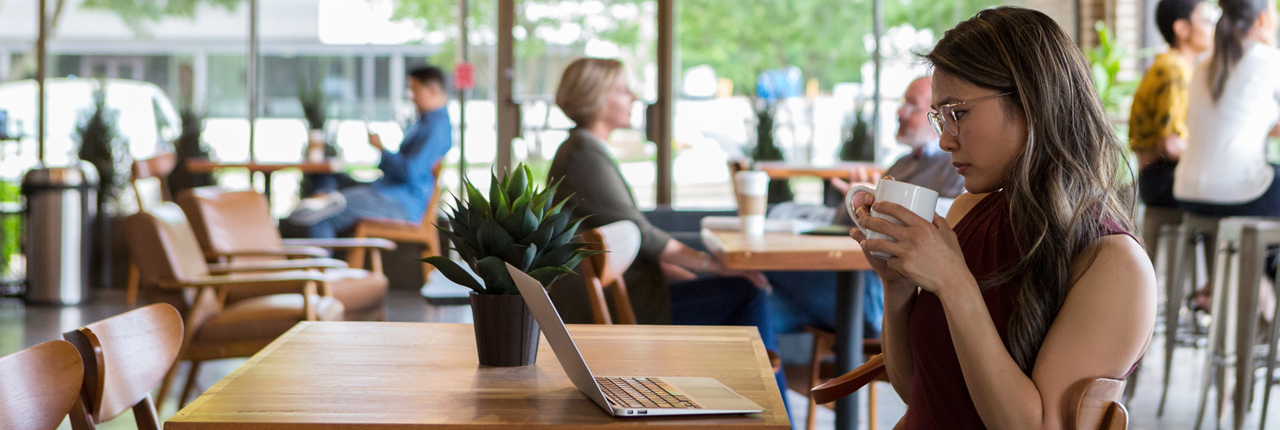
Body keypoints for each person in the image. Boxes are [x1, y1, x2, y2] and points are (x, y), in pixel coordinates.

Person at [849, 7, 1155, 428]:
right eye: (940, 116)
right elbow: (920, 391)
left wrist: (955, 284)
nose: (943, 138)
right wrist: (897, 288)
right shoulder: (966, 212)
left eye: (958, 112)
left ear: (1032, 100)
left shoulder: (1115, 265)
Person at [543, 58, 786, 405]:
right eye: (623, 89)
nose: (633, 97)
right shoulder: (582, 153)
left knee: (746, 291)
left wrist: (683, 269)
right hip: (630, 308)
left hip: (632, 294)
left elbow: (632, 238)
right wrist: (713, 264)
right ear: (596, 97)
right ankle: (765, 410)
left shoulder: (583, 149)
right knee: (749, 292)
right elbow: (643, 235)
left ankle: (750, 402)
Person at [768, 75, 965, 340]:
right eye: (902, 103)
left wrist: (884, 204)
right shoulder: (903, 163)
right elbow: (845, 222)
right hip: (863, 284)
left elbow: (951, 219)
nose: (900, 112)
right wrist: (858, 201)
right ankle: (779, 381)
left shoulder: (955, 167)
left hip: (879, 293)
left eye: (912, 106)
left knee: (769, 269)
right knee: (760, 304)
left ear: (938, 117)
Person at [287, 66, 453, 238]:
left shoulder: (437, 129)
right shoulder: (423, 123)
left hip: (400, 202)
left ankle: (320, 259)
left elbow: (409, 172)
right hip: (386, 190)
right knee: (330, 179)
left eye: (415, 91)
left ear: (433, 90)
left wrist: (382, 149)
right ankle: (325, 197)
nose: (412, 97)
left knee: (325, 213)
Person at [1130, 0, 1214, 262]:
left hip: (1152, 179)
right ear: (1182, 28)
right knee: (1227, 197)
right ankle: (1213, 288)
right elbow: (1170, 144)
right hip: (1164, 179)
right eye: (1205, 20)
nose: (1213, 27)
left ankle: (1210, 287)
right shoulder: (1176, 69)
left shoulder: (1164, 64)